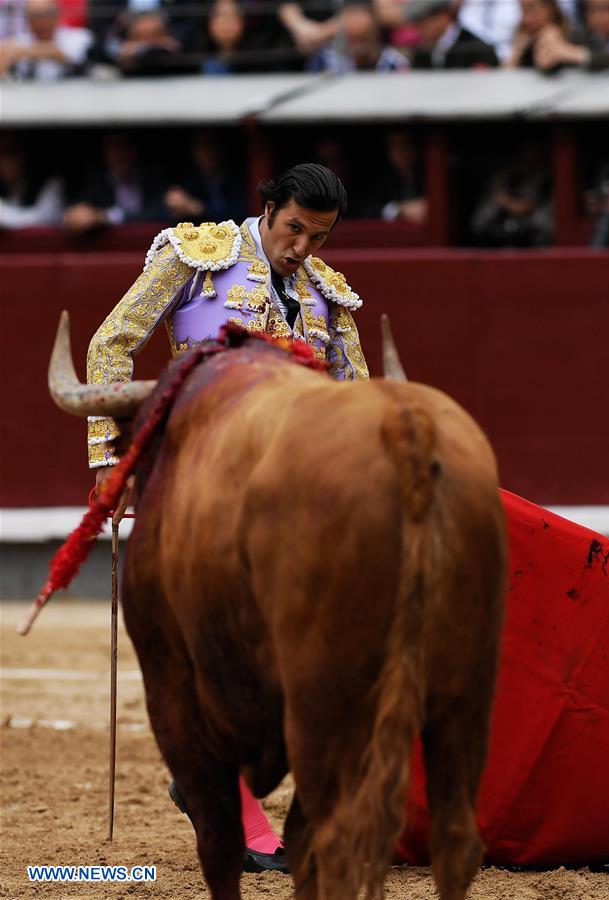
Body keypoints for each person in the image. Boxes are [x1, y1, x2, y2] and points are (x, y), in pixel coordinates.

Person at [86, 164, 368, 872]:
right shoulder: (195, 255)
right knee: (218, 645)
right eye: (294, 229)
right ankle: (228, 797)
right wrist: (107, 455)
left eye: (319, 235)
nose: (302, 247)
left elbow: (358, 395)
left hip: (292, 495)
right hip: (200, 480)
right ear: (266, 210)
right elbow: (110, 344)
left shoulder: (326, 293)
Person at [63, 131, 169, 232]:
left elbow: (160, 213)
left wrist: (104, 217)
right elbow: (78, 210)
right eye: (114, 149)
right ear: (105, 154)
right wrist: (76, 216)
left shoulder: (154, 179)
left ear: (135, 151)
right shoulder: (96, 183)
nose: (120, 155)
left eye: (125, 148)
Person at [534, 0, 609, 71]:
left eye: (608, 9)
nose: (601, 16)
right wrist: (548, 57)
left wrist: (578, 54)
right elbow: (562, 60)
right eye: (594, 10)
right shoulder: (579, 35)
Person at [308, 0, 410, 72]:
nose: (358, 47)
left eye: (363, 39)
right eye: (352, 39)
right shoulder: (325, 60)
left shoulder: (393, 63)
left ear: (375, 33)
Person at [0, 0, 92, 79]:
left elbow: (63, 55)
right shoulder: (20, 40)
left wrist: (20, 52)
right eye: (34, 16)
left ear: (57, 15)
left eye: (45, 15)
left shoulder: (77, 37)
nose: (40, 22)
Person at [406, 0, 499, 69]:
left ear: (443, 17)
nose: (420, 28)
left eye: (424, 21)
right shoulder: (421, 52)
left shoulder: (477, 50)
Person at [0, 133, 64, 228]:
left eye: (11, 154)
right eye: (1, 155)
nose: (4, 162)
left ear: (24, 155)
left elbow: (48, 217)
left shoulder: (50, 182)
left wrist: (4, 215)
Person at [504, 0, 569, 67]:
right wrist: (516, 53)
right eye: (523, 10)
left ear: (550, 9)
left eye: (532, 9)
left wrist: (565, 51)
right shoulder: (524, 41)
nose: (526, 19)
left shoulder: (573, 39)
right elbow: (506, 72)